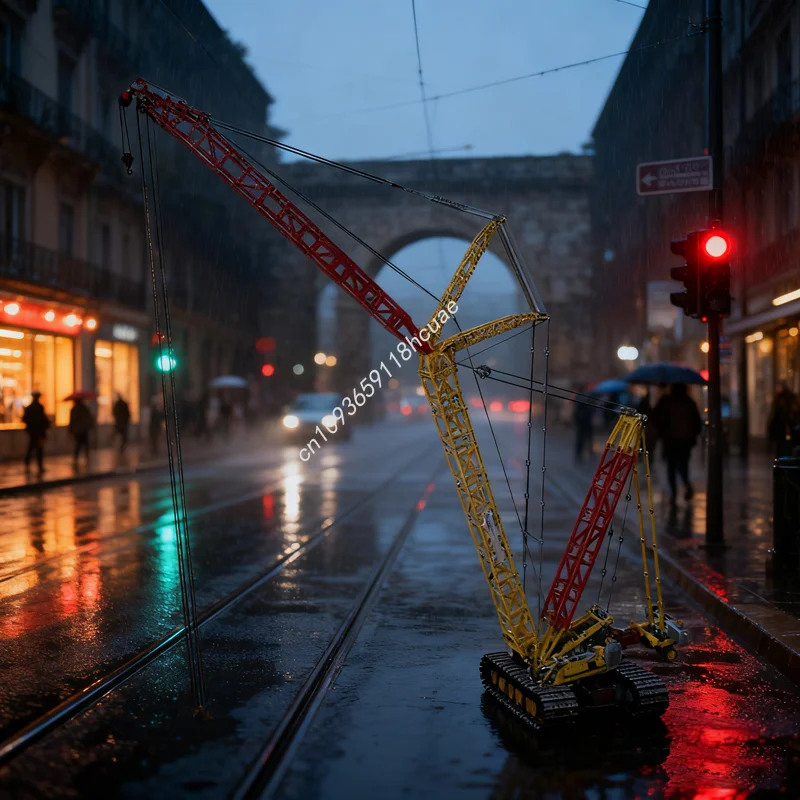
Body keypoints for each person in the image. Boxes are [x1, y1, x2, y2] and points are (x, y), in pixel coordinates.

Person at [653, 384, 703, 504]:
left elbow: (656, 417)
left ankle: (674, 493)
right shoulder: (689, 402)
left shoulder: (666, 401)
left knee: (671, 466)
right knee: (683, 466)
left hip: (670, 439)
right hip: (685, 440)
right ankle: (686, 485)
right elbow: (697, 423)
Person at [768, 383, 800, 458]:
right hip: (786, 427)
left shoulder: (781, 400)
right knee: (785, 446)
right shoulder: (790, 399)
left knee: (783, 446)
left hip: (784, 427)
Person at [22, 391, 49, 475]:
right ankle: (37, 465)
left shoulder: (30, 408)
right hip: (37, 431)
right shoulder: (37, 408)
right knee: (37, 449)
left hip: (34, 431)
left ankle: (29, 463)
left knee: (33, 448)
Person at [69, 397, 94, 465]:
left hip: (78, 430)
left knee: (79, 444)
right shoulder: (83, 409)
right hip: (82, 430)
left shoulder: (74, 409)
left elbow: (71, 421)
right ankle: (85, 456)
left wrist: (71, 430)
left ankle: (77, 457)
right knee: (84, 444)